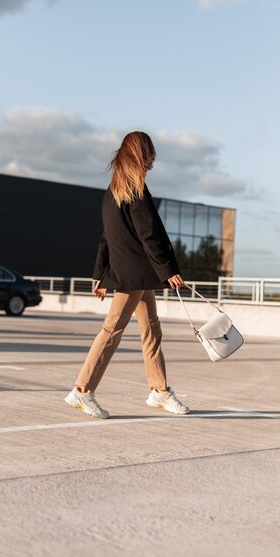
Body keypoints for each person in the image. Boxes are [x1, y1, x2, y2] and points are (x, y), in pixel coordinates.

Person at [65, 131, 190, 419]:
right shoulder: (136, 191)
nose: (150, 165)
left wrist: (100, 275)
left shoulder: (112, 193)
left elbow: (106, 238)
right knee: (111, 331)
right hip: (135, 274)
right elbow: (149, 235)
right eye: (149, 159)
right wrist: (169, 269)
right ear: (140, 156)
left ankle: (159, 391)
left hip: (138, 274)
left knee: (152, 329)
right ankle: (82, 391)